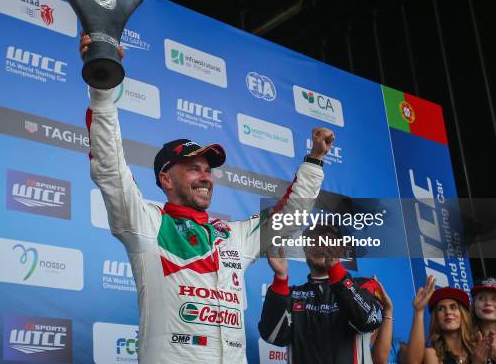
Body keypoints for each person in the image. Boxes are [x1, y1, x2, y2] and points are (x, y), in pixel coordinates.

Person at [80, 34, 335, 364]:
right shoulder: (146, 222)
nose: (205, 176)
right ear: (165, 178)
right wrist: (102, 89)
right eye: (192, 168)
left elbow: (292, 214)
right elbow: (110, 168)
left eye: (207, 169)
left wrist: (314, 160)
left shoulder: (234, 236)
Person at [259, 224, 385, 364]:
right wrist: (280, 279)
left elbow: (369, 321)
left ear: (340, 249)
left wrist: (336, 270)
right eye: (313, 241)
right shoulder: (291, 295)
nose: (320, 246)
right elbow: (273, 336)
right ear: (305, 250)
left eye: (327, 241)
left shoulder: (365, 286)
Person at [406, 276, 488, 364]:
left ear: (462, 314)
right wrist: (419, 311)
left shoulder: (478, 349)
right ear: (436, 318)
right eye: (441, 308)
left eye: (453, 307)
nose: (448, 312)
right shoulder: (432, 354)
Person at [470, 278, 496, 364]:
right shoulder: (465, 339)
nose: (488, 303)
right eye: (481, 298)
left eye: (495, 299)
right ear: (474, 305)